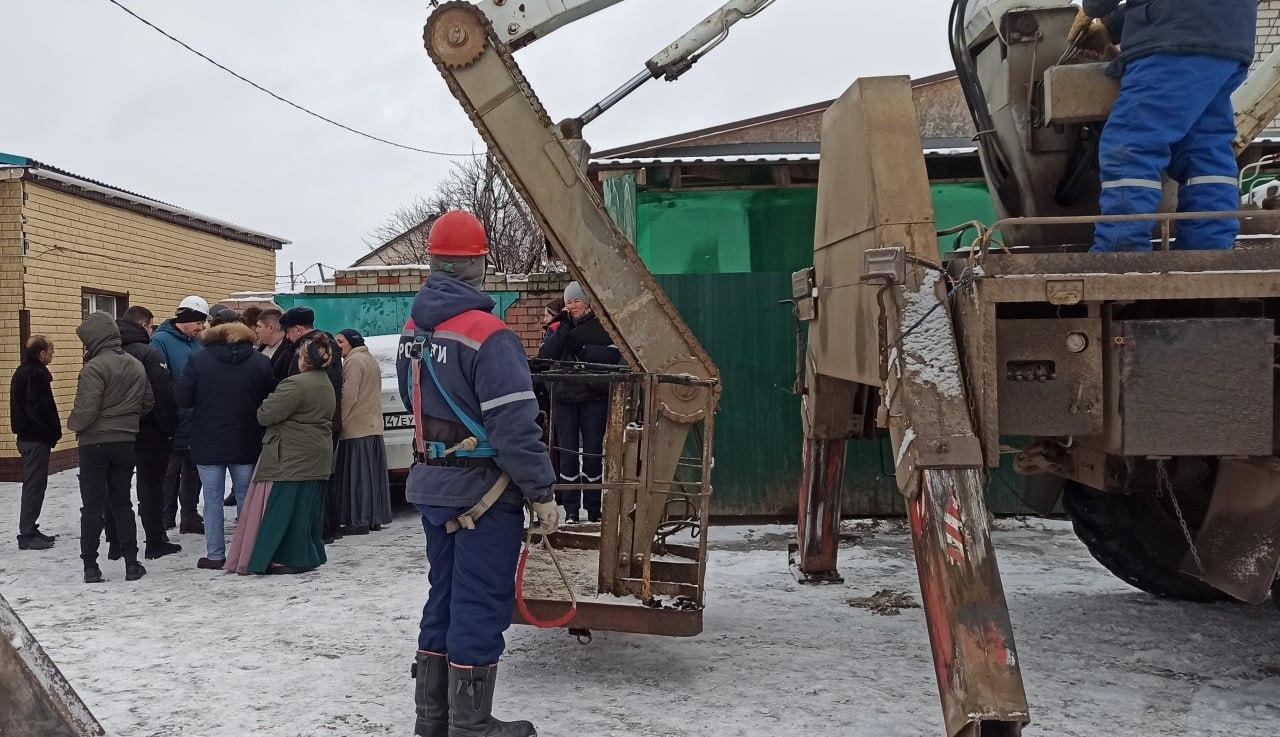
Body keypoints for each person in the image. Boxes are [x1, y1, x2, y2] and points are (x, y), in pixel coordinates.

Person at [403, 210, 556, 737]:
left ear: (433, 262)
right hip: (484, 493)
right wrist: (541, 492)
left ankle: (432, 720)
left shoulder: (413, 330)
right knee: (480, 601)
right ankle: (471, 724)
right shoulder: (489, 335)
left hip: (434, 485)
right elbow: (514, 426)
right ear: (479, 265)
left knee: (443, 597)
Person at [1071, 1, 1257, 252]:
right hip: (1229, 40)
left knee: (1132, 145)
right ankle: (1206, 253)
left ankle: (1121, 253)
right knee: (1204, 150)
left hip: (1174, 41)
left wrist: (1093, 9)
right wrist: (1112, 25)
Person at [224, 334, 337, 575]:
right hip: (316, 455)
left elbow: (265, 415)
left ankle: (283, 558)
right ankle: (305, 555)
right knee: (305, 512)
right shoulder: (324, 382)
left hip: (290, 456)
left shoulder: (295, 384)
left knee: (282, 509)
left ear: (304, 360)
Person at [175, 321, 273, 570]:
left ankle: (216, 554)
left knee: (212, 500)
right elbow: (271, 398)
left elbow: (182, 398)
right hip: (246, 439)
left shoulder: (199, 360)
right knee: (246, 499)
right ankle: (247, 553)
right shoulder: (260, 361)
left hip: (208, 441)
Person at [67, 312, 154, 583]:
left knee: (92, 507)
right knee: (122, 503)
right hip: (125, 442)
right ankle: (132, 564)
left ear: (94, 338)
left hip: (94, 444)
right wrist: (126, 420)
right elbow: (148, 402)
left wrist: (73, 424)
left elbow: (86, 410)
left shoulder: (94, 368)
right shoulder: (135, 364)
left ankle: (90, 566)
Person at [537, 281, 621, 524]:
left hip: (594, 397)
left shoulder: (601, 326)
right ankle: (571, 509)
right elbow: (545, 356)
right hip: (564, 398)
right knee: (568, 453)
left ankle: (594, 508)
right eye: (569, 302)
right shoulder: (557, 327)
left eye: (577, 301)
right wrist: (563, 329)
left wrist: (583, 349)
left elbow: (613, 356)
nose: (572, 306)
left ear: (587, 303)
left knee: (593, 452)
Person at [114, 306, 182, 560]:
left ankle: (117, 542)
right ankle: (155, 540)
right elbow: (162, 395)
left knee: (116, 488)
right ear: (144, 325)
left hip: (115, 431)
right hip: (150, 431)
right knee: (151, 488)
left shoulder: (103, 351)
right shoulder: (148, 353)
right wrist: (169, 429)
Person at [280, 307, 345, 541]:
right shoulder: (329, 346)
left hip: (311, 422)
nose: (287, 337)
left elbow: (295, 388)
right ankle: (331, 525)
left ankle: (321, 529)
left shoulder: (307, 351)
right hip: (329, 419)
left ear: (298, 329)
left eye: (288, 332)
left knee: (313, 479)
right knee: (325, 475)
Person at [152, 295, 209, 534]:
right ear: (186, 319)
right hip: (173, 418)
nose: (201, 327)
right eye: (199, 322)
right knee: (170, 472)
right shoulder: (160, 341)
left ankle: (190, 515)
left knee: (193, 471)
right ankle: (166, 516)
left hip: (195, 419)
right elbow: (160, 381)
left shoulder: (197, 342)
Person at [333, 329, 392, 535]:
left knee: (357, 478)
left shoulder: (353, 362)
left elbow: (348, 395)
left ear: (351, 343)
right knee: (372, 477)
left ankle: (359, 520)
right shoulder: (370, 359)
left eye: (340, 341)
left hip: (356, 427)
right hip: (372, 425)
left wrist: (338, 420)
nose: (337, 346)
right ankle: (374, 518)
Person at [10, 335, 60, 551]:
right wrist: (51, 431)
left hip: (28, 436)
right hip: (35, 438)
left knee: (35, 485)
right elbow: (38, 408)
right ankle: (27, 533)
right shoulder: (35, 374)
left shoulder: (23, 371)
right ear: (41, 353)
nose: (53, 353)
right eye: (51, 350)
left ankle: (30, 528)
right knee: (34, 486)